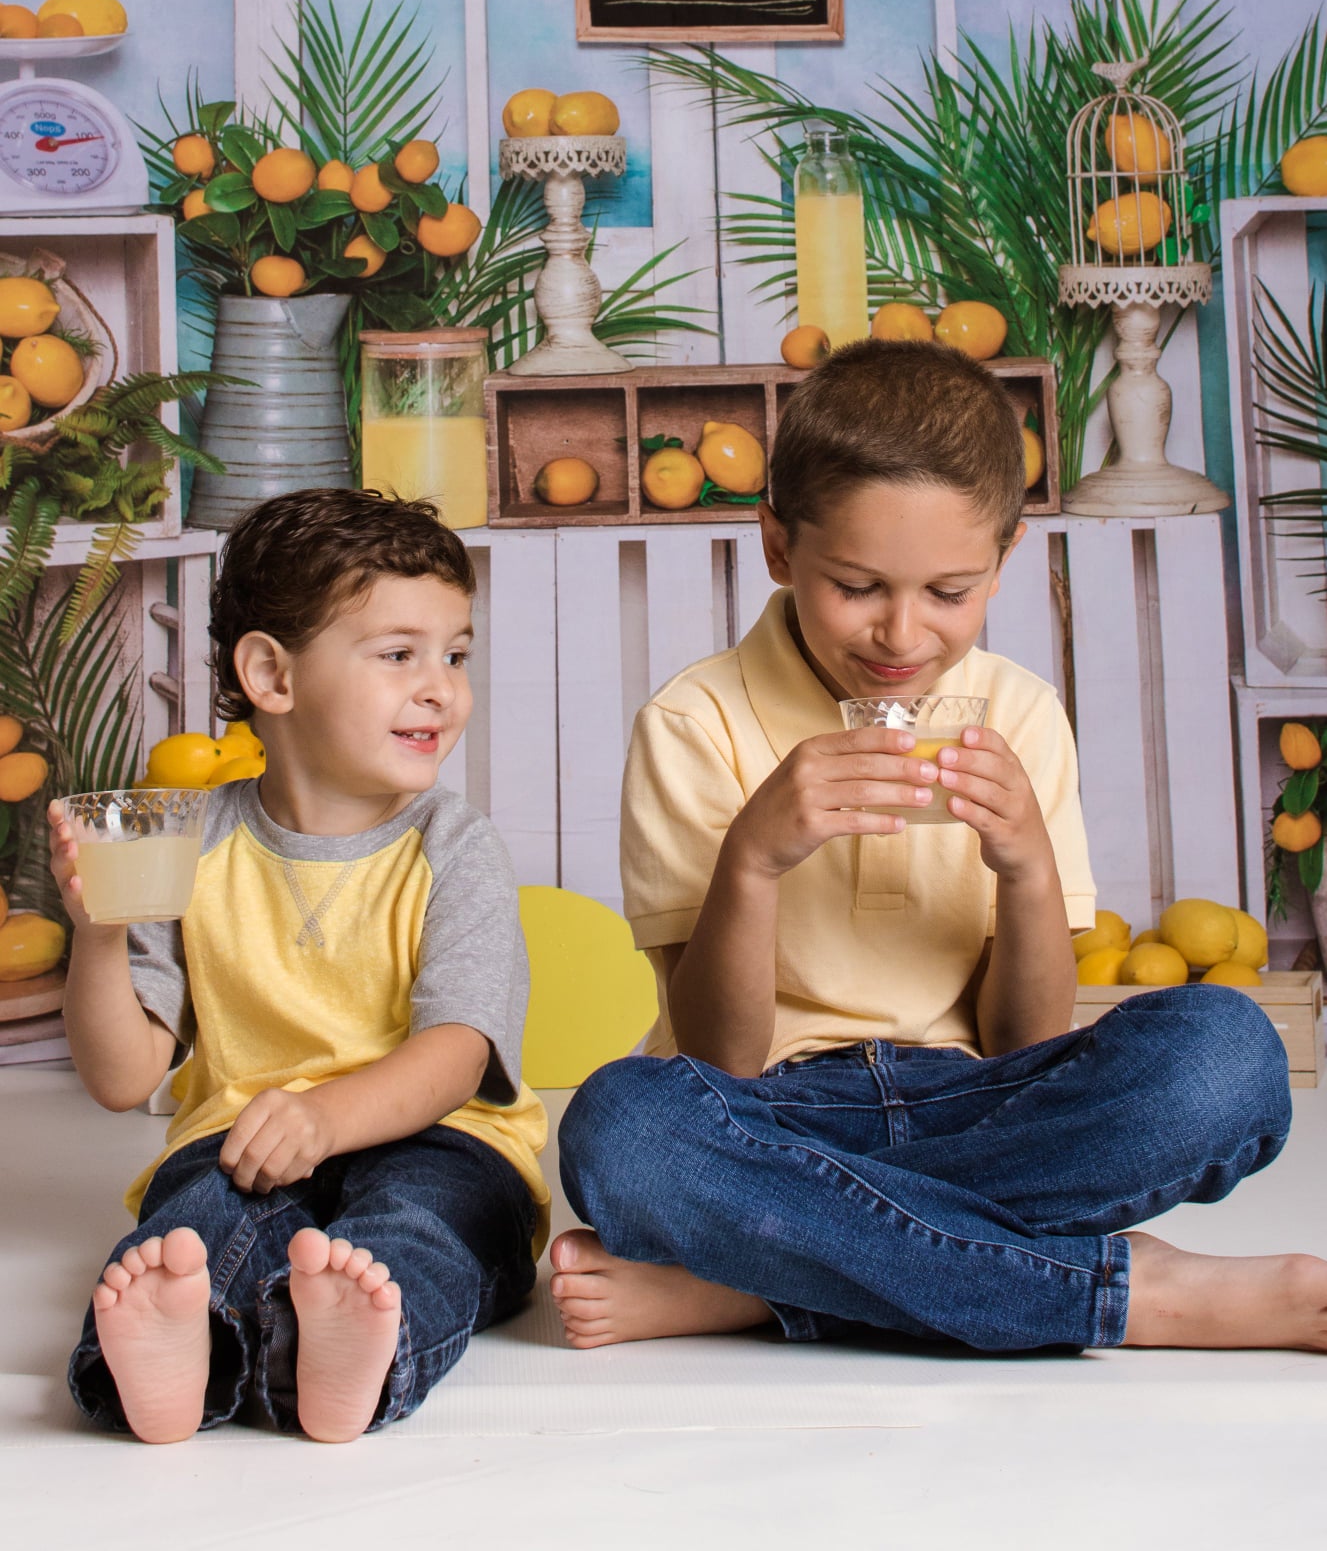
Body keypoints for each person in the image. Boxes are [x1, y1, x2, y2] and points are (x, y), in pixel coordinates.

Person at [550, 339, 1313, 1358]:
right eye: (857, 584)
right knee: (623, 1129)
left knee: (1229, 1056)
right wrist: (753, 858)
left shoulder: (1018, 713)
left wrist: (1028, 867)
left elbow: (1024, 1046)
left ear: (1006, 557)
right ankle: (1128, 1296)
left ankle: (756, 1277)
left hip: (977, 1103)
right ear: (776, 545)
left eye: (949, 592)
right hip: (770, 1113)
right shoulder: (696, 721)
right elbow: (715, 1057)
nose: (902, 633)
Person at [52, 488, 547, 1445]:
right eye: (399, 654)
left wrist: (327, 1116)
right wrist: (99, 929)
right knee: (189, 1228)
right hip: (248, 1141)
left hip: (440, 1138)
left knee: (419, 1225)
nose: (441, 686)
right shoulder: (188, 848)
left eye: (455, 654)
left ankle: (352, 1348)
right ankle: (170, 1364)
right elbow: (122, 1076)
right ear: (272, 674)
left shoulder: (455, 843)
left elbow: (454, 1053)